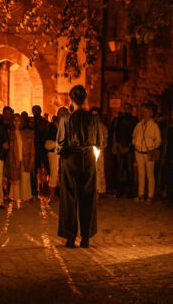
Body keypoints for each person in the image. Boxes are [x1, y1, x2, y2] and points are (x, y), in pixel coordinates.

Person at [56, 85, 103, 248]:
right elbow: (99, 142)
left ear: (71, 99)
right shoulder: (93, 119)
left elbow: (60, 146)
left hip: (70, 158)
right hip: (88, 158)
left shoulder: (65, 120)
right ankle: (86, 237)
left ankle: (70, 236)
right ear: (85, 99)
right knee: (87, 198)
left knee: (69, 198)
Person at [132, 104, 161, 202]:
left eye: (146, 112)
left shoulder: (154, 126)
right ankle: (141, 194)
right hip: (139, 151)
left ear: (150, 113)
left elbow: (158, 140)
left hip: (150, 152)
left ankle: (150, 195)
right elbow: (134, 135)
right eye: (143, 112)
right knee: (141, 173)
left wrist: (152, 147)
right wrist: (135, 144)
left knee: (150, 174)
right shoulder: (139, 125)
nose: (144, 113)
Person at [7, 114, 35, 208]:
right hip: (14, 158)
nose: (16, 122)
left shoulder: (27, 133)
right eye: (14, 120)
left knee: (25, 179)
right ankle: (15, 199)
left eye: (18, 120)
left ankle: (24, 199)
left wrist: (32, 158)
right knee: (15, 180)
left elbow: (31, 147)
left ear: (21, 121)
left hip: (25, 158)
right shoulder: (9, 133)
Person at [114, 103, 138, 198]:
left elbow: (135, 134)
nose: (126, 110)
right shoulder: (119, 120)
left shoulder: (134, 120)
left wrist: (129, 146)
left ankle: (130, 192)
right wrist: (119, 145)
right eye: (125, 108)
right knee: (120, 170)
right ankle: (119, 191)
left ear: (131, 109)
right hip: (121, 147)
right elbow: (117, 133)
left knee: (129, 170)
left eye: (128, 108)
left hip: (129, 148)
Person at [46, 107, 69, 201]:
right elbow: (48, 139)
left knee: (66, 174)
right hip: (53, 152)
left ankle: (65, 196)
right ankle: (52, 196)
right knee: (54, 173)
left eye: (65, 113)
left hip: (66, 153)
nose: (63, 115)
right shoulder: (52, 126)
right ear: (58, 114)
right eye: (61, 113)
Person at [90, 107, 108, 198]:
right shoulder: (87, 127)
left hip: (99, 153)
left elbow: (105, 141)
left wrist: (99, 145)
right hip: (89, 153)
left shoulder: (103, 127)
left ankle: (97, 195)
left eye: (96, 115)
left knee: (98, 172)